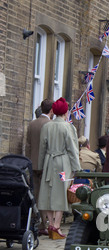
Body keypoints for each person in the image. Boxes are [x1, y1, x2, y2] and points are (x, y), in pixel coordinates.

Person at [38, 97, 81, 239]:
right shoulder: (68, 127)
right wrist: (76, 168)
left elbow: (42, 148)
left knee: (48, 193)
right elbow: (72, 149)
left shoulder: (47, 126)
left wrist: (40, 165)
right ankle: (56, 226)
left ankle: (50, 224)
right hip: (63, 163)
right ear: (66, 112)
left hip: (49, 162)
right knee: (61, 193)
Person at [25, 98, 54, 235]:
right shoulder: (51, 125)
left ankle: (33, 220)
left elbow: (28, 145)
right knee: (45, 196)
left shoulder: (32, 124)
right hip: (46, 165)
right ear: (52, 110)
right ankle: (43, 224)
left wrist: (28, 162)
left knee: (35, 194)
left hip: (32, 164)